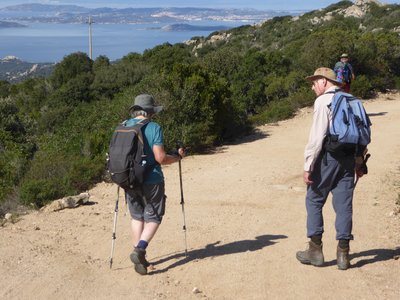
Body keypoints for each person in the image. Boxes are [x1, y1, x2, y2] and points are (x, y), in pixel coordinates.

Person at [296, 68, 366, 270]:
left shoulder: (323, 101)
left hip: (328, 158)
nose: (312, 87)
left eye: (314, 82)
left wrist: (308, 166)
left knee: (314, 199)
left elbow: (317, 138)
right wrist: (359, 163)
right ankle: (343, 255)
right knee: (344, 204)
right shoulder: (352, 100)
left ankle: (315, 250)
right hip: (348, 159)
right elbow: (362, 134)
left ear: (324, 81)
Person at [124, 94, 184, 275]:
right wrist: (178, 157)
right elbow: (160, 158)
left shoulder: (124, 125)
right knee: (154, 216)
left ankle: (140, 259)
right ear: (150, 112)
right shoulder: (153, 127)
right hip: (152, 180)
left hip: (129, 180)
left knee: (137, 217)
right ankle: (139, 250)